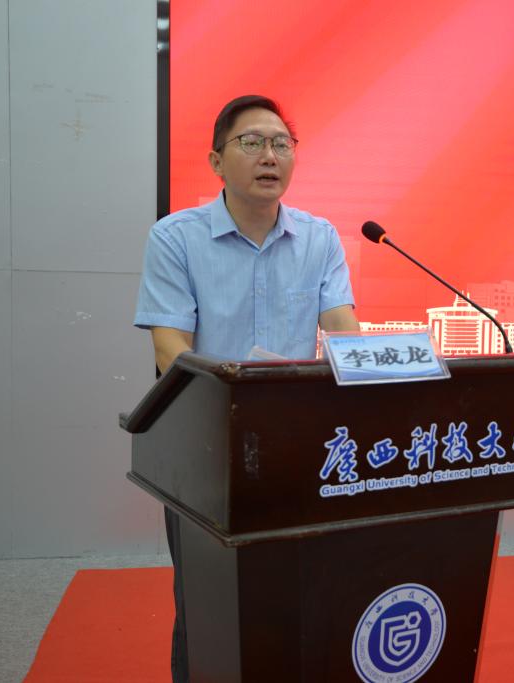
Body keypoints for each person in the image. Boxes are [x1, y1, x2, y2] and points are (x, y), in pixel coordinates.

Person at [133, 94, 359, 682]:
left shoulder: (320, 238)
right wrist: (230, 411)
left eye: (282, 143)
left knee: (297, 590)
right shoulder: (176, 238)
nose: (270, 156)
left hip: (296, 443)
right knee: (208, 598)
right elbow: (169, 350)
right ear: (216, 161)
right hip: (205, 445)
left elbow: (343, 331)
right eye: (252, 142)